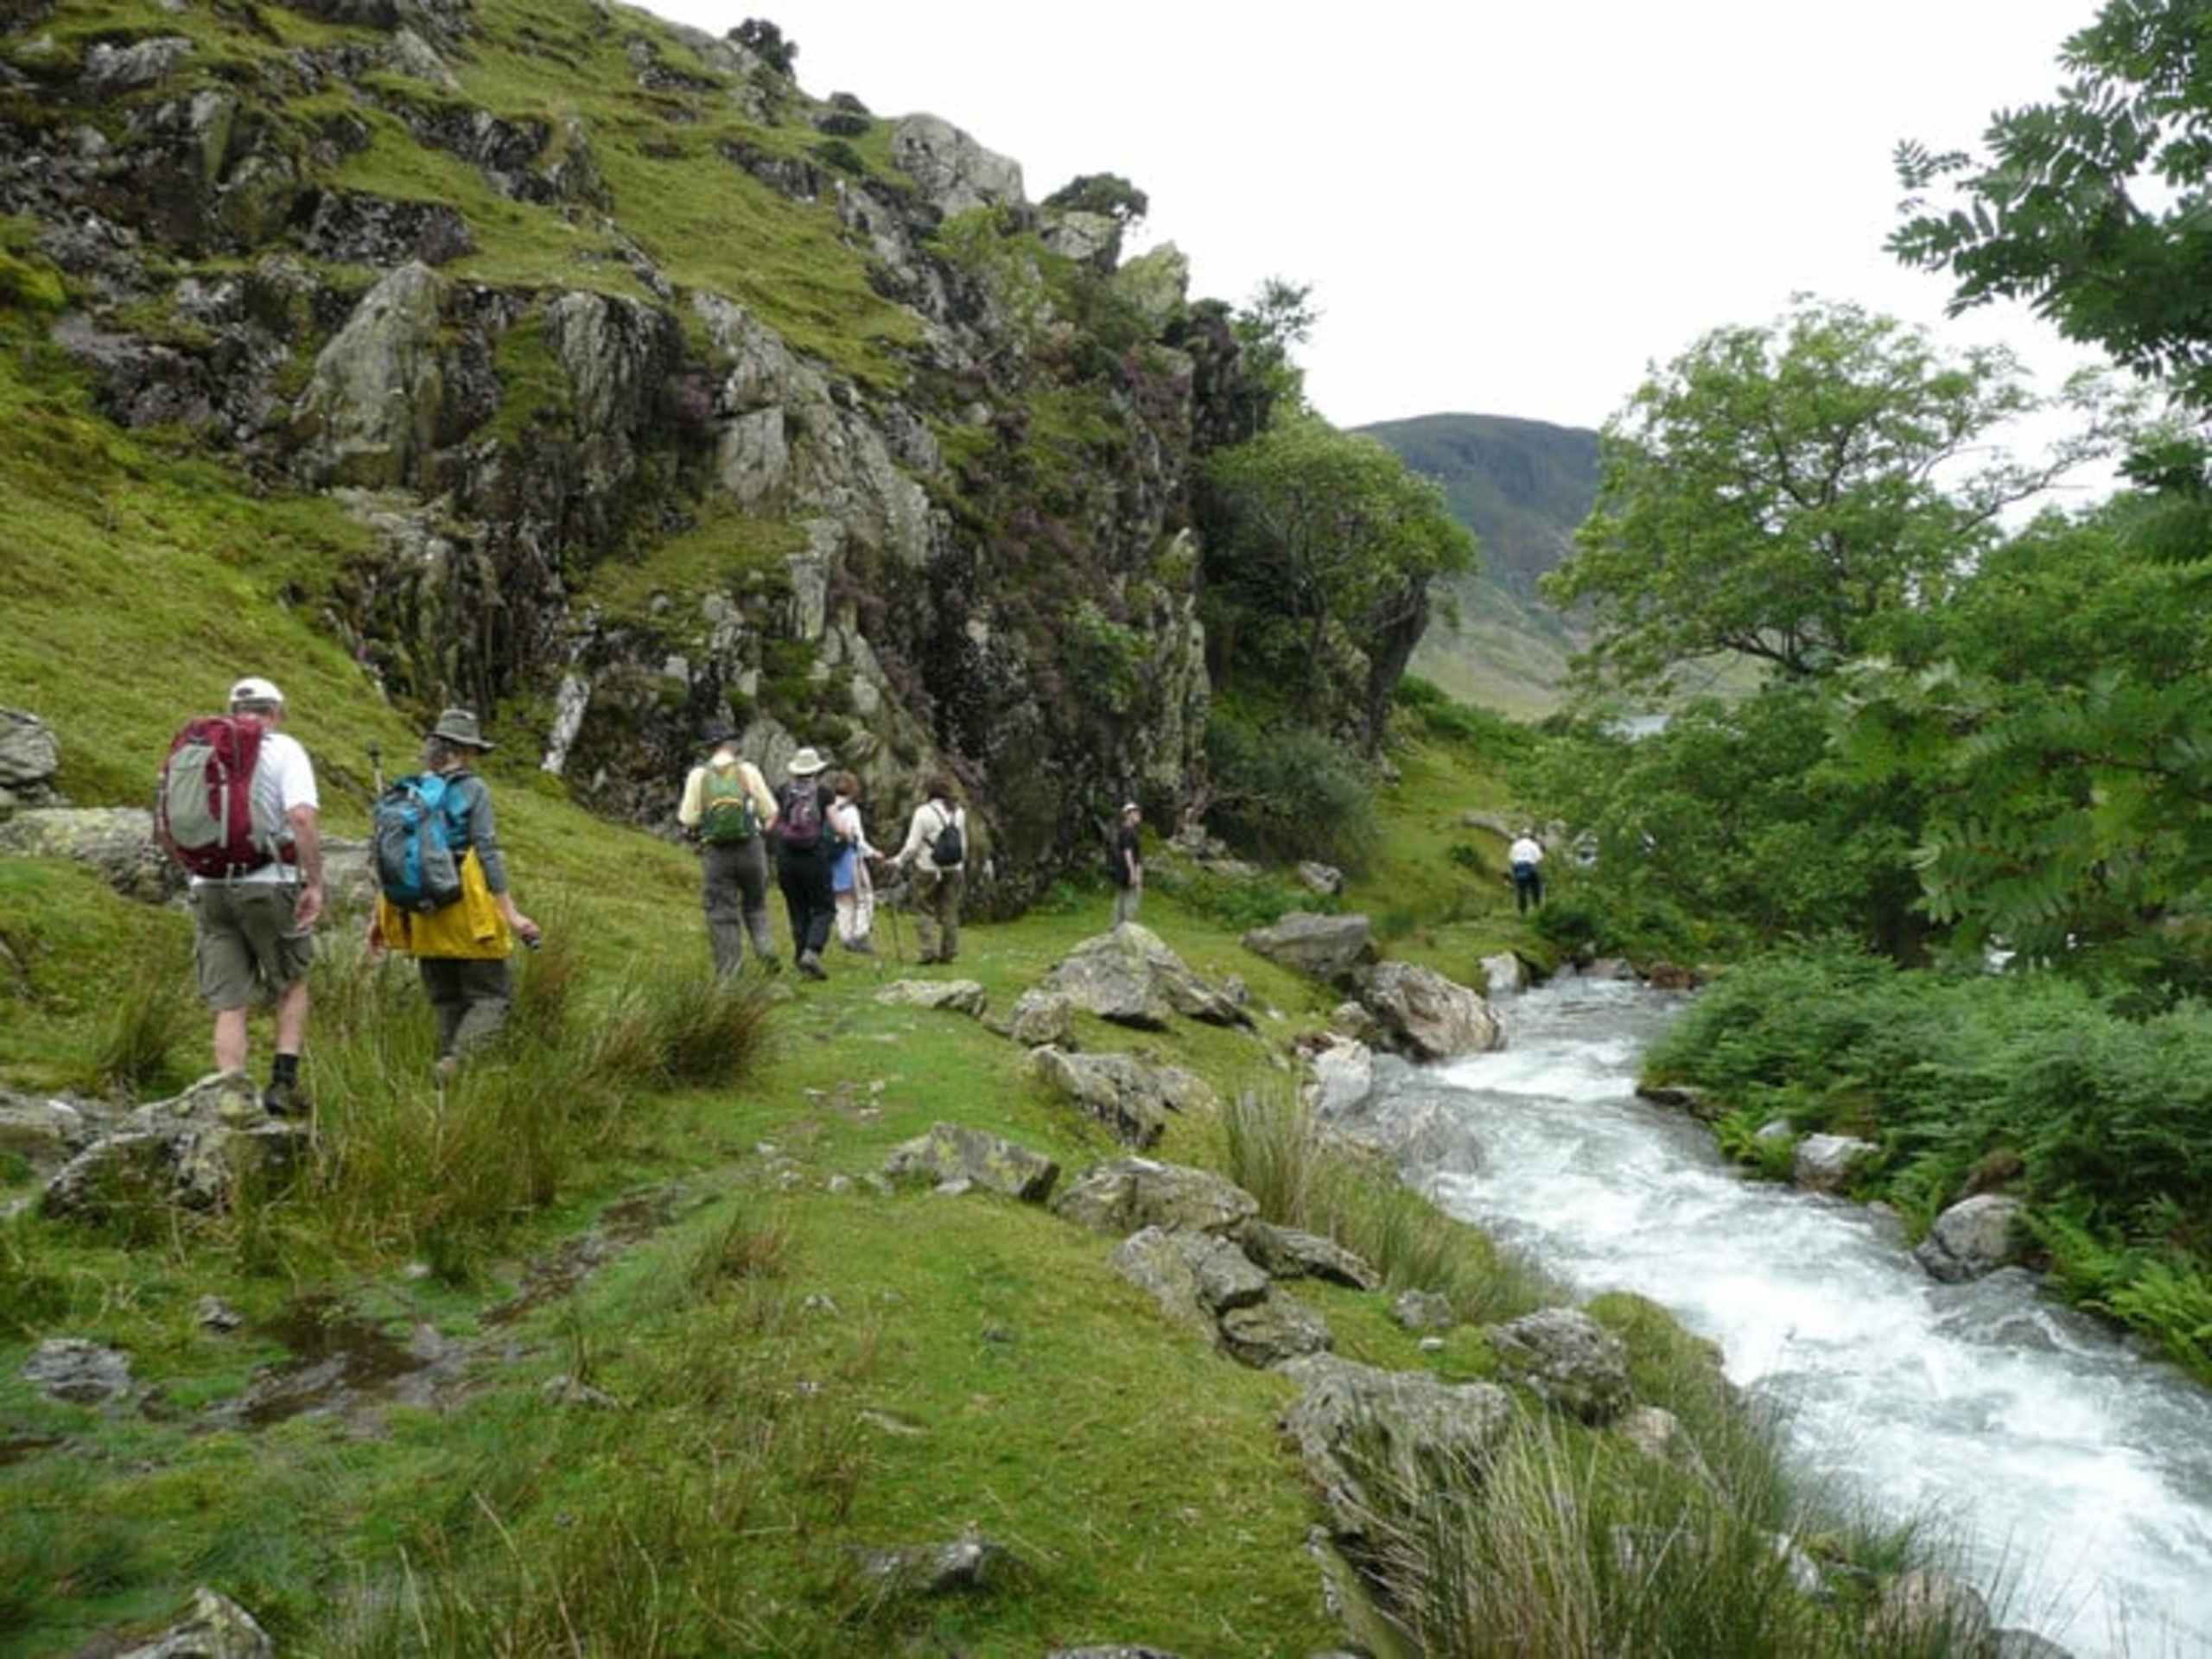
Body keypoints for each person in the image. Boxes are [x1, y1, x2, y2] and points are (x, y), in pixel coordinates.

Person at [368, 709, 540, 1077]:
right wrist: (512, 915)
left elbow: (387, 858)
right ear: (464, 751)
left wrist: (378, 918)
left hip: (420, 913)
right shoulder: (472, 789)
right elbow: (487, 852)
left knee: (446, 999)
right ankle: (456, 1064)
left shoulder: (409, 794)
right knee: (492, 997)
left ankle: (448, 1079)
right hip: (466, 909)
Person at [185, 676, 324, 1116]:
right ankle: (282, 1084)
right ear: (276, 713)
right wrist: (315, 883)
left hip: (208, 886)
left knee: (230, 999)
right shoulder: (284, 749)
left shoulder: (200, 749)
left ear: (230, 708)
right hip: (267, 881)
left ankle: (230, 1098)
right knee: (292, 980)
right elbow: (301, 818)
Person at [677, 721, 780, 976]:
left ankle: (730, 975)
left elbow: (688, 818)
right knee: (755, 903)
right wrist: (761, 832)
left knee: (721, 911)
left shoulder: (698, 776)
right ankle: (765, 949)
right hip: (751, 847)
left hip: (717, 852)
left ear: (709, 748)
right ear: (731, 745)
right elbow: (771, 812)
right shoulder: (748, 771)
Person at [772, 747, 838, 980]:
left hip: (786, 858)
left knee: (797, 908)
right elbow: (837, 825)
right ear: (816, 770)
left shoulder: (782, 790)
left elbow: (771, 822)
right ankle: (812, 952)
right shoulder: (824, 793)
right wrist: (849, 836)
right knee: (824, 907)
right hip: (814, 857)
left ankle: (801, 958)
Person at [891, 773, 967, 965]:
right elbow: (964, 844)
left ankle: (928, 951)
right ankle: (949, 952)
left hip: (927, 867)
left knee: (925, 908)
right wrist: (960, 864)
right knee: (950, 910)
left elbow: (912, 846)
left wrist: (898, 861)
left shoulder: (923, 813)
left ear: (929, 792)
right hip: (954, 868)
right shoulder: (958, 812)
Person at [828, 770, 881, 955]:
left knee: (842, 900)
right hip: (851, 859)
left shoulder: (827, 807)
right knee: (865, 897)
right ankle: (859, 934)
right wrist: (874, 853)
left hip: (832, 860)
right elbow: (857, 839)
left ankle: (845, 937)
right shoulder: (850, 811)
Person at [1111, 800, 1143, 927]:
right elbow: (1128, 853)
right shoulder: (1128, 832)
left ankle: (1117, 925)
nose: (1138, 815)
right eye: (1135, 813)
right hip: (1127, 870)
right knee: (1130, 899)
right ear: (1128, 815)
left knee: (1122, 897)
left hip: (1125, 870)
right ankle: (1126, 926)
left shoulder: (1127, 831)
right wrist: (1133, 873)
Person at [1509, 828, 1546, 913]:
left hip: (1518, 867)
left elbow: (1511, 859)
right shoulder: (1534, 845)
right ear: (1530, 836)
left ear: (1521, 836)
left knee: (1521, 889)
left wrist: (1514, 871)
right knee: (1536, 887)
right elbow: (1539, 858)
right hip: (1530, 867)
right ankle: (1537, 907)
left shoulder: (1515, 845)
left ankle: (1522, 910)